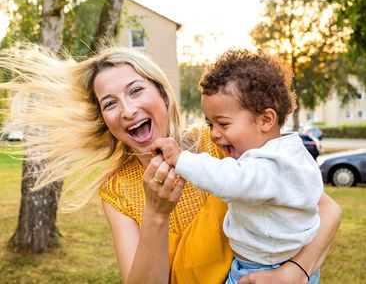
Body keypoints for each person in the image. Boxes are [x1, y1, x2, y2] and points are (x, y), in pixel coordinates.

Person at [0, 45, 341, 284]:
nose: (128, 110)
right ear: (105, 119)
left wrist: (295, 271)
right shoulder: (117, 191)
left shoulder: (218, 144)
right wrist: (157, 213)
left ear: (161, 94)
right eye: (110, 103)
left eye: (135, 91)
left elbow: (325, 210)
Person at [152, 49, 324, 283]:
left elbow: (228, 179)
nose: (214, 134)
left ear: (265, 120)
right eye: (210, 123)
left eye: (223, 124)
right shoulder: (292, 152)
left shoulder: (270, 166)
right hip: (276, 262)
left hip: (266, 269)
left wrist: (181, 159)